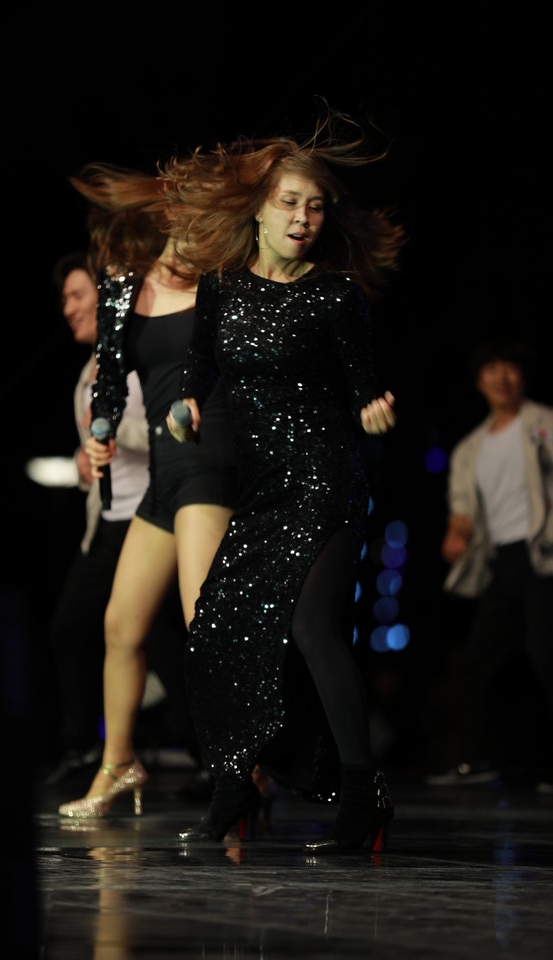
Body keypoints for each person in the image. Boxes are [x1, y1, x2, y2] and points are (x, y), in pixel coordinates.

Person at [163, 101, 404, 853]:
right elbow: (198, 370)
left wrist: (373, 411)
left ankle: (364, 795)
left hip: (325, 481)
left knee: (309, 627)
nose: (304, 217)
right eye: (291, 202)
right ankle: (235, 785)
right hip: (263, 490)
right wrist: (183, 406)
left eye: (316, 206)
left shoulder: (335, 296)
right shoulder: (220, 289)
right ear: (260, 210)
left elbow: (364, 388)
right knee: (216, 628)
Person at [57, 165, 240, 819]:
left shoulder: (220, 286)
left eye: (208, 229)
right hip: (163, 476)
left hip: (208, 463)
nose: (198, 240)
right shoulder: (123, 290)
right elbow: (109, 380)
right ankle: (118, 765)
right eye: (189, 226)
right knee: (120, 625)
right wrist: (101, 431)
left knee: (203, 624)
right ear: (164, 226)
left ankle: (238, 772)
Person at [43, 252, 189, 787]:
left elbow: (168, 433)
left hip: (148, 517)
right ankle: (86, 749)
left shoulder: (137, 356)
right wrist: (85, 462)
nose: (69, 308)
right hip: (107, 520)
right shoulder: (89, 372)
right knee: (72, 628)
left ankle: (213, 759)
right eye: (65, 299)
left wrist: (110, 431)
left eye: (78, 295)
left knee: (166, 643)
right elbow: (95, 450)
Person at [424, 337, 553, 791]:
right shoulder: (469, 448)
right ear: (479, 381)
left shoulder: (545, 424)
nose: (501, 377)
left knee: (546, 654)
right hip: (502, 559)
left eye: (509, 367)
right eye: (491, 369)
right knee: (479, 659)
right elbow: (462, 509)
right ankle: (475, 759)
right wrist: (457, 533)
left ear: (523, 376)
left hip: (544, 555)